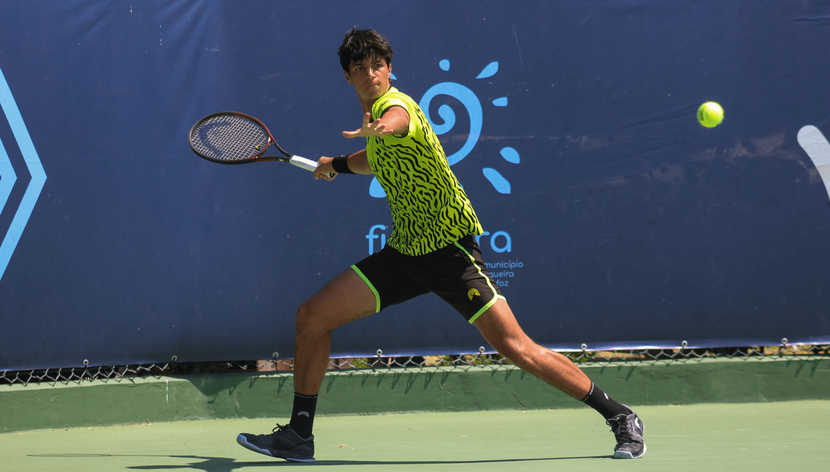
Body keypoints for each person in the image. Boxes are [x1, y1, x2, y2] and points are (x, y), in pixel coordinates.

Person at [236, 27, 646, 462]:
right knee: (312, 316)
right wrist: (335, 165)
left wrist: (379, 125)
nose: (371, 73)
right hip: (405, 253)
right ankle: (300, 436)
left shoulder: (396, 108)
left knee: (515, 346)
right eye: (361, 68)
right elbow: (374, 159)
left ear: (390, 69)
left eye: (378, 65)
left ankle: (620, 416)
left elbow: (396, 124)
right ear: (347, 76)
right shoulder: (372, 124)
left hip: (451, 252)